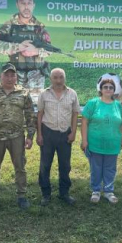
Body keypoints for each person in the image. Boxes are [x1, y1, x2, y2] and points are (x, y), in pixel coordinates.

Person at [0, 63, 36, 211]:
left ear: (16, 77)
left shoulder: (23, 93)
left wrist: (30, 136)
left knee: (20, 167)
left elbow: (30, 115)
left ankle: (22, 195)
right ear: (1, 76)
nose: (10, 78)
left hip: (17, 137)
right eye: (6, 75)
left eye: (12, 75)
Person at [0, 0, 52, 99]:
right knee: (16, 110)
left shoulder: (40, 26)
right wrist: (17, 47)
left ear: (34, 5)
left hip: (36, 79)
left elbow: (49, 49)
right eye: (23, 3)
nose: (26, 6)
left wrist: (36, 51)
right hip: (15, 78)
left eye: (29, 3)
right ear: (17, 4)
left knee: (35, 111)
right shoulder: (9, 25)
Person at [36, 68, 80, 206]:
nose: (58, 80)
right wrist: (39, 134)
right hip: (48, 132)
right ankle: (46, 194)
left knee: (65, 165)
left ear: (64, 78)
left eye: (61, 77)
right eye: (55, 77)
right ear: (51, 79)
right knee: (45, 165)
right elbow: (39, 115)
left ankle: (64, 193)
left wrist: (73, 132)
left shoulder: (72, 93)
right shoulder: (44, 94)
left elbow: (75, 114)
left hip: (65, 134)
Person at [81, 79, 122, 204]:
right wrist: (84, 140)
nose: (108, 89)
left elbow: (121, 124)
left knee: (110, 168)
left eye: (111, 87)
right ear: (101, 89)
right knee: (96, 168)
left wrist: (121, 139)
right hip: (95, 143)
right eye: (105, 87)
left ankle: (108, 191)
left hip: (113, 144)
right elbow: (84, 122)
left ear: (114, 90)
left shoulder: (117, 105)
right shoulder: (93, 103)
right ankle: (96, 191)